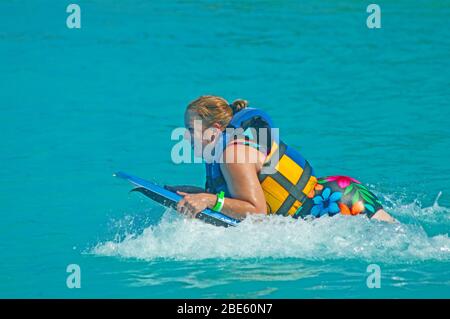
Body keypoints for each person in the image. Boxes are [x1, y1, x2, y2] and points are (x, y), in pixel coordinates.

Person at [175, 95, 394, 222]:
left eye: (190, 128)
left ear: (213, 130)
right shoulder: (230, 150)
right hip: (338, 193)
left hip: (338, 202)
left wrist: (209, 201)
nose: (186, 136)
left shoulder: (233, 154)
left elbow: (256, 211)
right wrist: (200, 194)